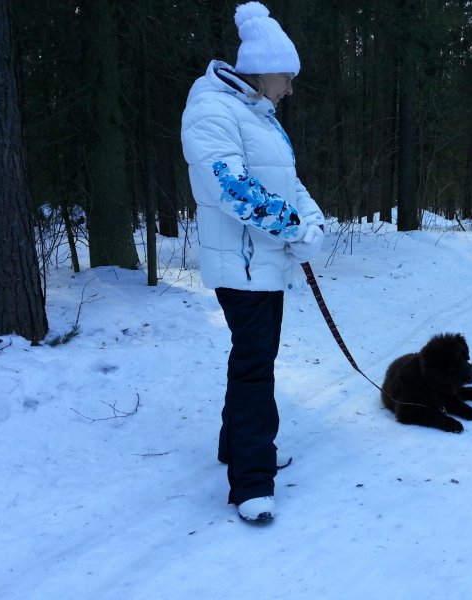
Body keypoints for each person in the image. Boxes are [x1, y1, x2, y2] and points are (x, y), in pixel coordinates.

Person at [181, 1, 324, 524]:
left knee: (252, 360)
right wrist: (293, 229)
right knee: (255, 369)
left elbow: (289, 183)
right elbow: (231, 187)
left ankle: (235, 448)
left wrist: (312, 223)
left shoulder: (255, 114)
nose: (289, 89)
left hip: (264, 264)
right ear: (264, 70)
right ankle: (252, 482)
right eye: (287, 78)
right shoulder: (212, 109)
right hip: (241, 265)